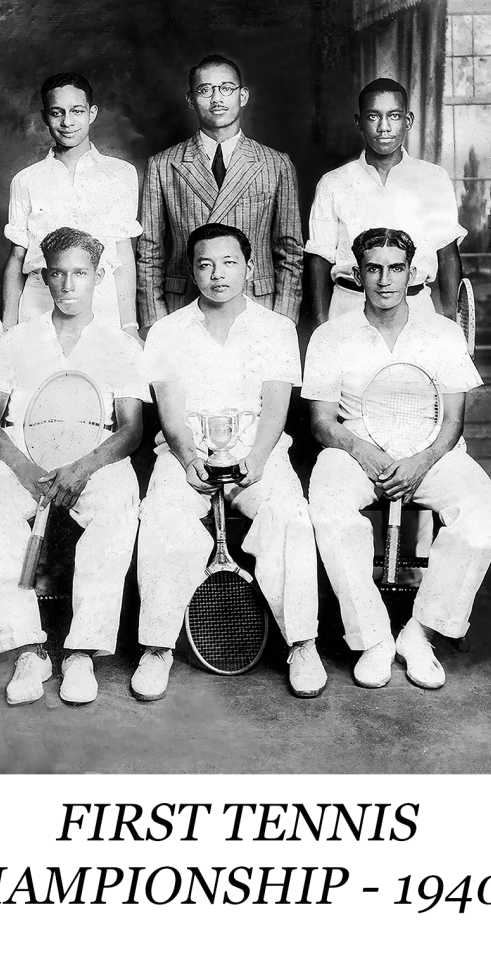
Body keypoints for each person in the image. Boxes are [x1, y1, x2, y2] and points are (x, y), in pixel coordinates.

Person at [302, 227, 491, 690]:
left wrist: (420, 461)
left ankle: (419, 635)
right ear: (357, 274)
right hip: (353, 449)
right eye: (373, 268)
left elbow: (453, 422)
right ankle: (373, 638)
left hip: (431, 451)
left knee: (486, 514)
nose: (384, 280)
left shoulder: (442, 331)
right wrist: (366, 452)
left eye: (395, 268)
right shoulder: (331, 336)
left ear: (412, 273)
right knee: (328, 510)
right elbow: (321, 422)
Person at [131, 222, 326, 702]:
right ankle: (157, 649)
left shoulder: (277, 328)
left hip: (259, 453)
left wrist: (257, 459)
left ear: (250, 267)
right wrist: (187, 456)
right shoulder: (167, 332)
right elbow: (170, 414)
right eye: (204, 264)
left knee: (289, 516)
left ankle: (302, 644)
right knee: (162, 517)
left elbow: (277, 406)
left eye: (229, 262)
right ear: (192, 272)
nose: (217, 274)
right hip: (185, 456)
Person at [0, 227, 149, 706]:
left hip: (96, 459)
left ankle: (81, 652)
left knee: (118, 507)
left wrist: (83, 467)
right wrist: (24, 469)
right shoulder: (16, 340)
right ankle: (30, 650)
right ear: (44, 277)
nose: (68, 285)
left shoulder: (121, 345)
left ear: (98, 277)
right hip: (23, 458)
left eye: (80, 274)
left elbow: (130, 429)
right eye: (58, 274)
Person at [136, 54, 304, 331]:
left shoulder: (275, 163)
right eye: (205, 90)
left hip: (258, 306)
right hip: (183, 307)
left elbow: (291, 252)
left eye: (226, 88)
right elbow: (149, 253)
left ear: (243, 95)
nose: (217, 99)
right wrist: (155, 322)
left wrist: (284, 321)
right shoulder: (163, 164)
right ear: (191, 99)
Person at [306, 78, 466, 325]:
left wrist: (452, 319)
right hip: (349, 306)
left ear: (408, 120)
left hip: (415, 308)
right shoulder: (333, 182)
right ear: (359, 122)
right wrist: (320, 324)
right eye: (373, 116)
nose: (384, 127)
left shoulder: (434, 178)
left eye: (393, 116)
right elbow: (319, 257)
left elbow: (447, 254)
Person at [1, 72, 143, 341]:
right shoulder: (25, 180)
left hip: (102, 304)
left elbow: (123, 256)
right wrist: (9, 329)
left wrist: (130, 327)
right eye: (57, 113)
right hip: (39, 302)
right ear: (45, 117)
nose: (67, 122)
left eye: (76, 111)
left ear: (92, 113)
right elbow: (17, 258)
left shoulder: (121, 173)